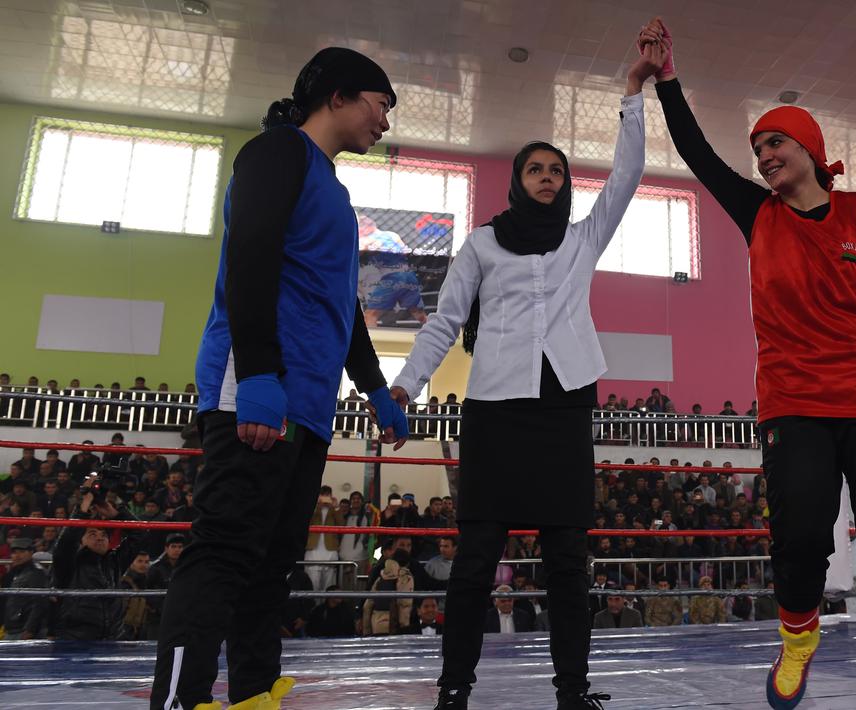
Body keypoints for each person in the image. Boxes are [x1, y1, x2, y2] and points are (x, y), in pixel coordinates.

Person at [643, 17, 856, 710]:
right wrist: (668, 82)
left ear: (810, 149)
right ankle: (797, 639)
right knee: (802, 539)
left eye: (774, 142)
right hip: (793, 402)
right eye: (757, 148)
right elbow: (696, 154)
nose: (762, 156)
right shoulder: (757, 214)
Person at [388, 33, 662, 710]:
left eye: (556, 171)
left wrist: (633, 95)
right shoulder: (481, 244)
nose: (547, 178)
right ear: (517, 179)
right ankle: (454, 688)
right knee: (476, 564)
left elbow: (625, 177)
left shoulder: (580, 239)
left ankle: (572, 691)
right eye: (536, 169)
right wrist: (403, 384)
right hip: (495, 413)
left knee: (569, 563)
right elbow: (444, 321)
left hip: (563, 409)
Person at [150, 47, 409, 710]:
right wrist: (260, 371)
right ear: (341, 96)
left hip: (310, 401)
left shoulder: (336, 191)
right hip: (257, 385)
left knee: (271, 563)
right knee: (225, 551)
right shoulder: (277, 152)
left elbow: (338, 302)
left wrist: (375, 386)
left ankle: (252, 694)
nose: (385, 121)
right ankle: (178, 700)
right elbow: (250, 255)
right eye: (382, 104)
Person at [52, 490, 135, 641]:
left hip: (113, 638)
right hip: (76, 639)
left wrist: (117, 514)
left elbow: (141, 536)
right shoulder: (70, 564)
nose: (100, 538)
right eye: (92, 534)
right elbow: (65, 545)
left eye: (104, 535)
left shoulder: (115, 561)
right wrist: (81, 510)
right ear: (81, 540)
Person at [0, 538, 49, 640]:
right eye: (14, 552)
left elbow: (39, 603)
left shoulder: (36, 573)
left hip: (23, 630)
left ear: (31, 553)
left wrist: (30, 630)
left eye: (22, 552)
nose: (17, 556)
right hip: (12, 628)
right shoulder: (13, 573)